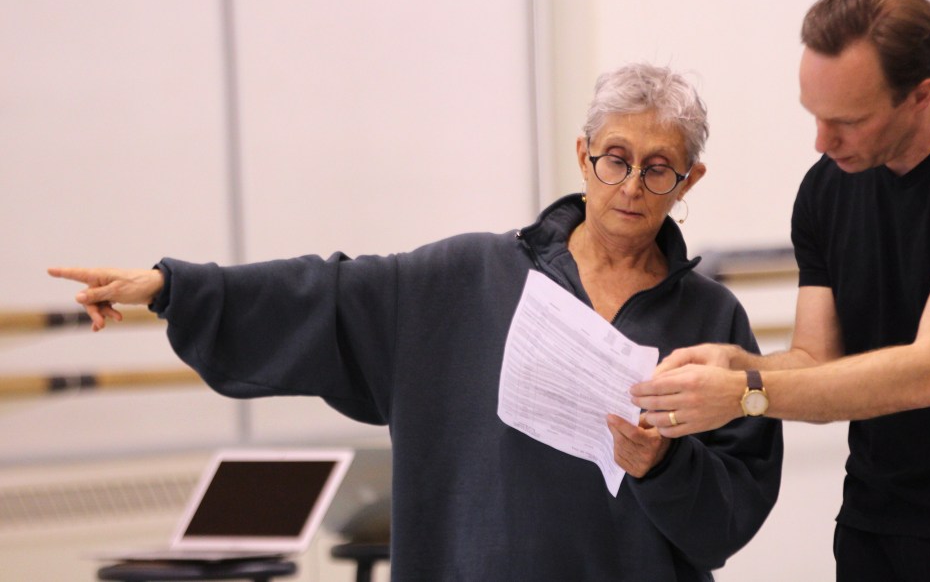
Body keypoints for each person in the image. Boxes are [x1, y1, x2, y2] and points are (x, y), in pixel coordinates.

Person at [50, 62, 782, 582]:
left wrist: (662, 466)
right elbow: (321, 293)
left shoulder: (712, 322)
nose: (631, 186)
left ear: (690, 181)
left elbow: (729, 518)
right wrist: (173, 286)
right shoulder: (463, 280)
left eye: (659, 169)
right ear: (582, 156)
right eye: (615, 159)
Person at [631, 0, 930, 581]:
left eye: (848, 121)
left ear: (920, 94)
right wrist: (737, 366)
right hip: (873, 523)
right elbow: (817, 357)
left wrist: (745, 395)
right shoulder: (828, 186)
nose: (822, 141)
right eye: (814, 115)